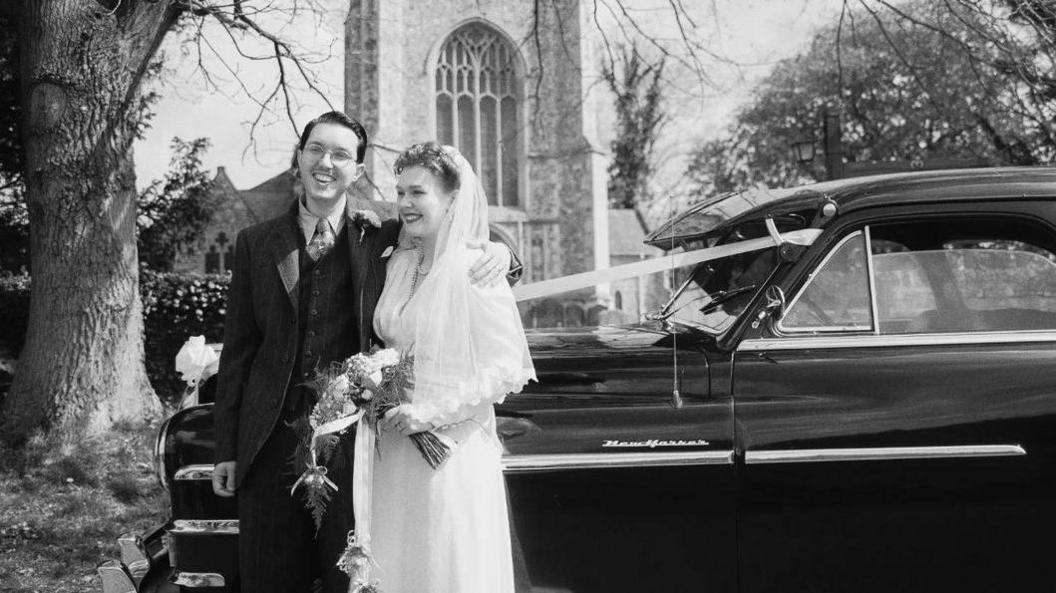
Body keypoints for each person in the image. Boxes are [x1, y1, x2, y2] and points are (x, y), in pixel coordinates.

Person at [211, 112, 517, 593]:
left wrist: (503, 254)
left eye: (340, 155)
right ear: (299, 156)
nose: (325, 163)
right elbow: (238, 352)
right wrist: (227, 448)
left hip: (355, 449)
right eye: (316, 150)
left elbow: (452, 234)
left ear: (357, 169)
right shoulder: (255, 242)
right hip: (267, 443)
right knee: (269, 578)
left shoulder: (380, 233)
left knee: (348, 580)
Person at [363, 142, 536, 593]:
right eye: (399, 191)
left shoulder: (479, 268)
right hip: (393, 447)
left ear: (453, 198)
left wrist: (430, 412)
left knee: (445, 567)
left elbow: (505, 367)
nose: (404, 203)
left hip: (451, 447)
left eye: (417, 192)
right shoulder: (399, 262)